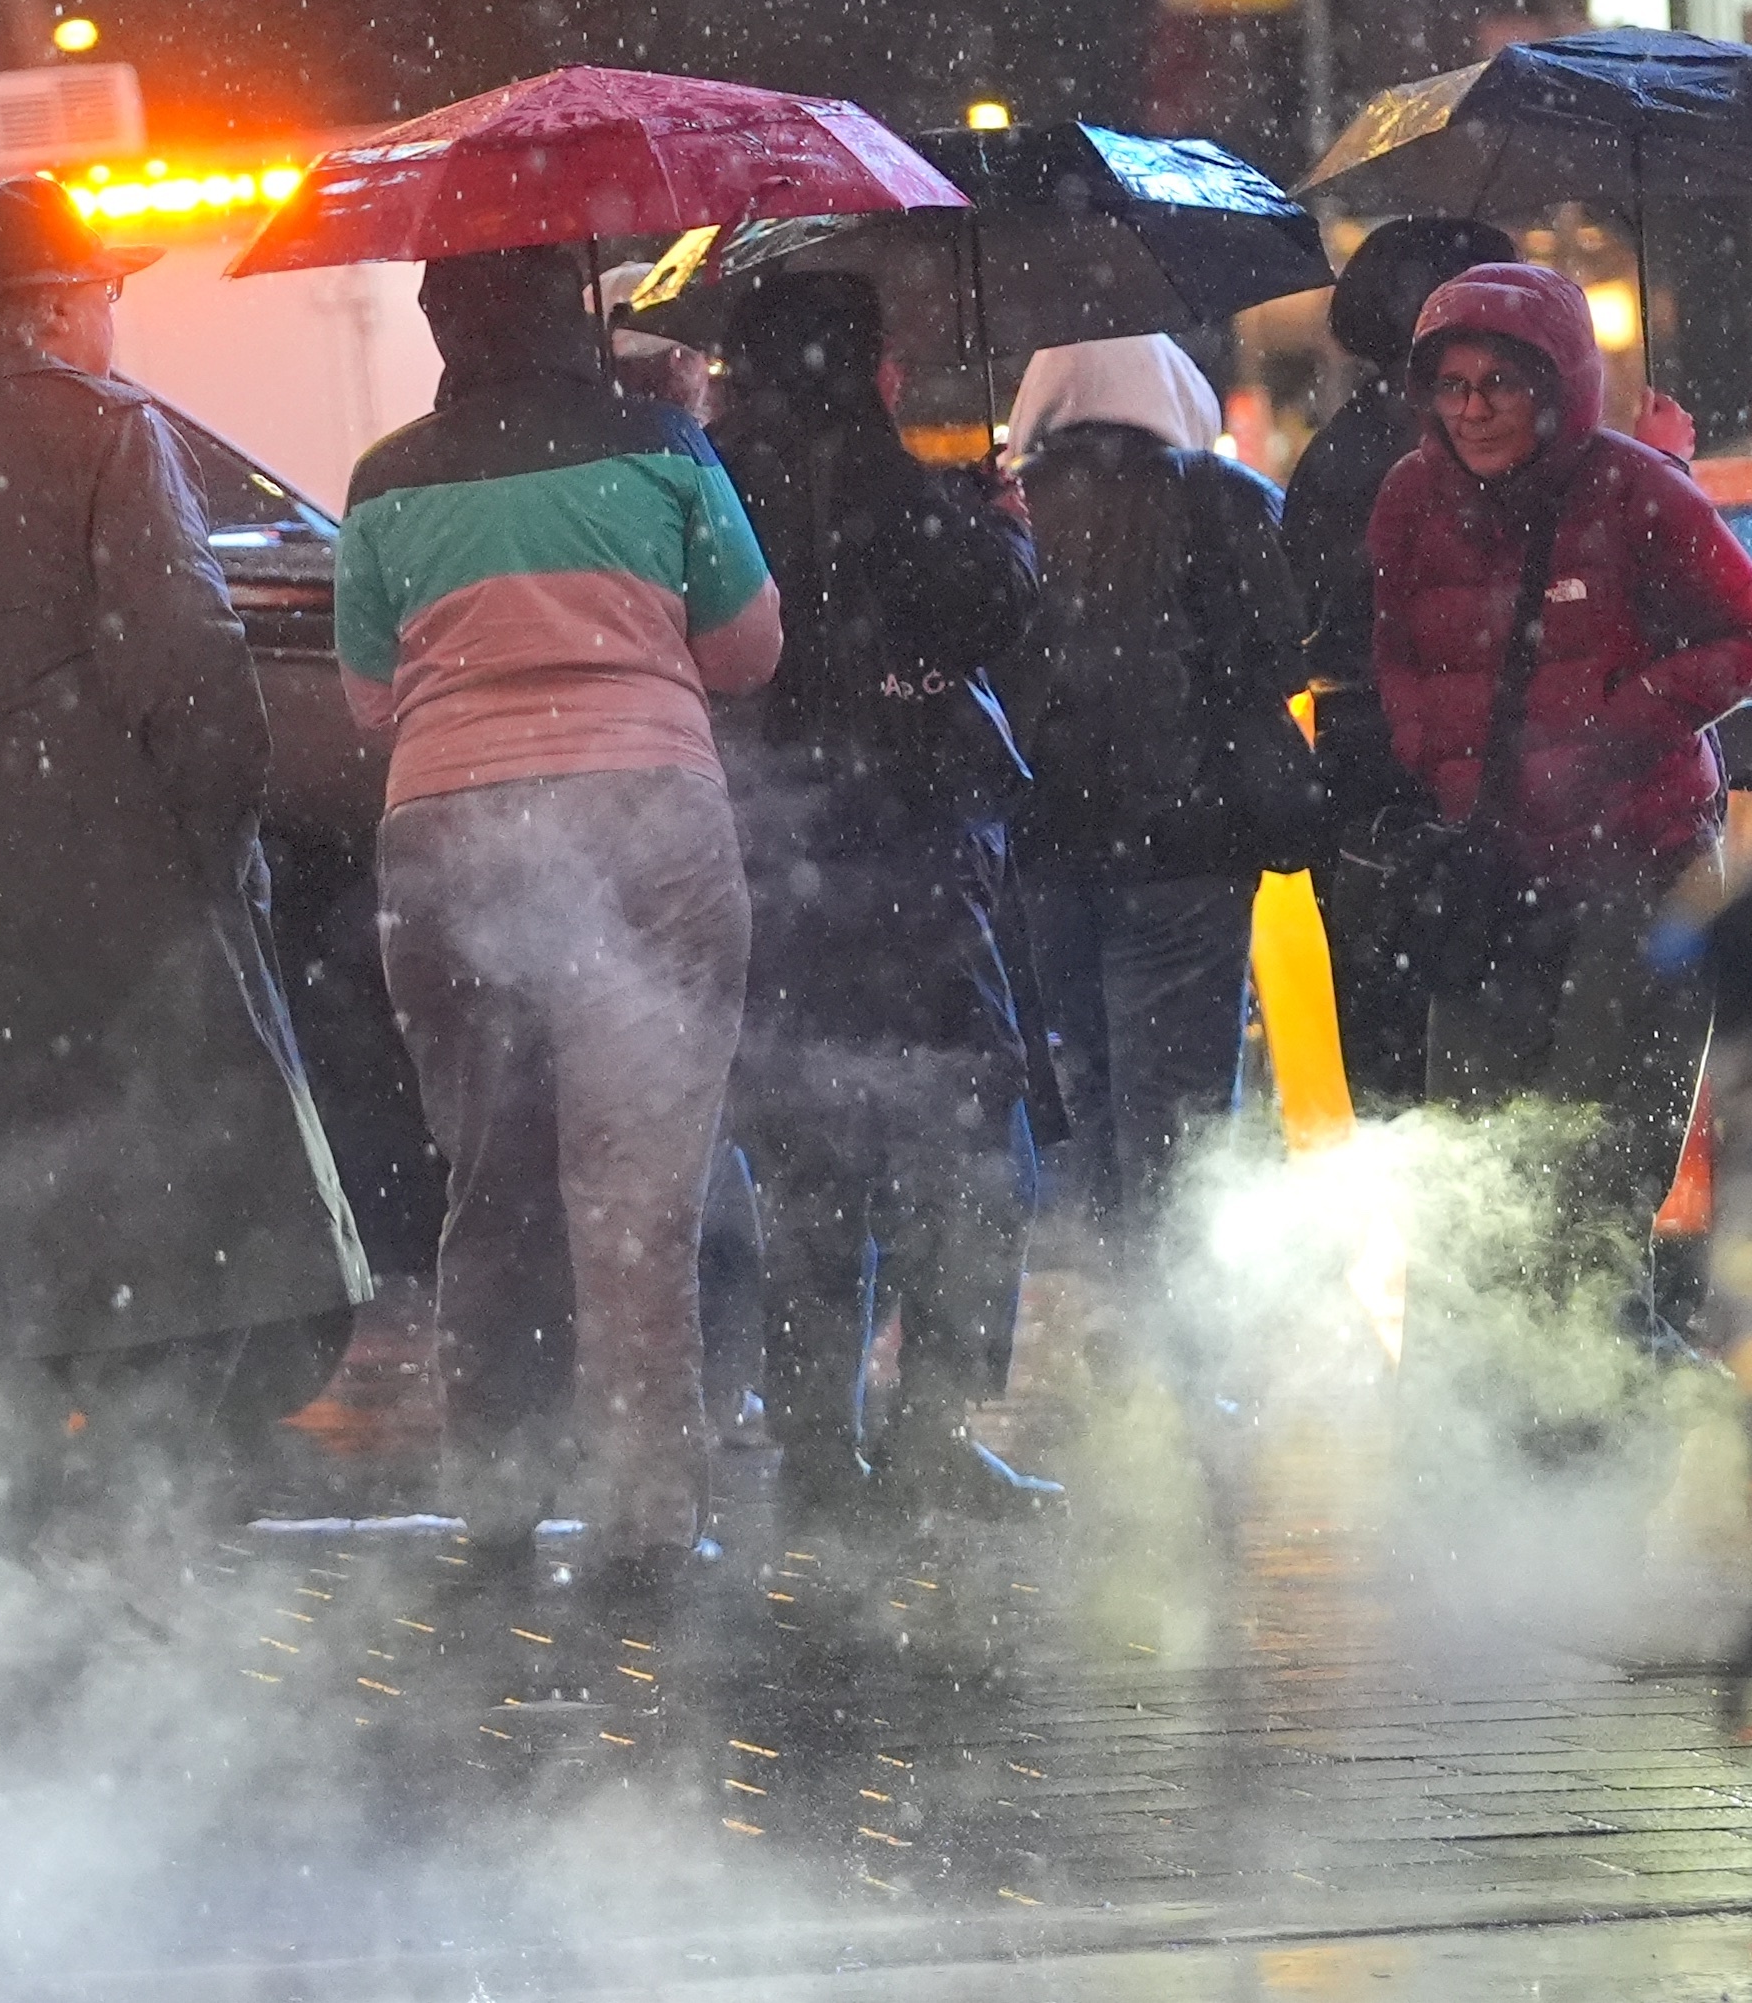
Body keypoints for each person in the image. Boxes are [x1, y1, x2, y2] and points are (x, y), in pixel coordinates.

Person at [0, 173, 370, 1582]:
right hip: (119, 879)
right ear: (55, 304)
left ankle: (36, 1502)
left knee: (8, 1213)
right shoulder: (106, 432)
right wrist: (209, 845)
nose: (110, 314)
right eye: (102, 289)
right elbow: (189, 665)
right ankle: (144, 1488)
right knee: (169, 1206)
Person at [334, 246, 778, 1587]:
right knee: (636, 1191)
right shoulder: (659, 445)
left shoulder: (384, 475)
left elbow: (367, 699)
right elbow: (748, 646)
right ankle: (647, 1517)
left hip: (446, 832)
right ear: (573, 310)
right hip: (643, 824)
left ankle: (494, 1498)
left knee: (491, 1179)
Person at [707, 272, 1055, 1523]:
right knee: (967, 1154)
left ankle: (814, 1450)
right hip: (913, 871)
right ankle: (928, 1431)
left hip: (767, 866)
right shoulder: (887, 485)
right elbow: (986, 609)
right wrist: (1005, 523)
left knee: (803, 1162)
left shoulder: (712, 487)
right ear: (870, 369)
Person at [1371, 261, 1752, 1320]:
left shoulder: (1633, 487)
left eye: (1499, 380)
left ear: (1553, 386)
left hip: (1635, 859)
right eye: (1452, 385)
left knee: (1604, 1138)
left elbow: (1741, 630)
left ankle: (1583, 1375)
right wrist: (1430, 748)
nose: (1475, 407)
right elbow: (1394, 649)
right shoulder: (1410, 499)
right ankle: (1493, 1389)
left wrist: (1614, 720)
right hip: (1488, 869)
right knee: (1478, 1141)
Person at [997, 336, 1311, 1297]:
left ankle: (1114, 1306)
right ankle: (1178, 1344)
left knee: (1084, 1083)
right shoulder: (1230, 498)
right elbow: (1284, 653)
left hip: (1043, 839)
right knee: (1174, 1102)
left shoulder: (1011, 508)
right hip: (1189, 842)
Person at [1283, 217, 1510, 1113]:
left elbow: (1301, 622)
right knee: (1484, 1074)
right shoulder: (1459, 457)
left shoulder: (1332, 452)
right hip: (1459, 787)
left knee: (1394, 1079)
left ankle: (1426, 1244)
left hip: (1359, 783)